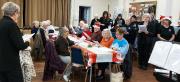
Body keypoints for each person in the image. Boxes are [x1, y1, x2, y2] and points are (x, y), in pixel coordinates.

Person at [0, 2, 29, 82]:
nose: (18, 15)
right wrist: (27, 42)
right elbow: (20, 45)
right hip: (11, 63)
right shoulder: (11, 25)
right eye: (18, 13)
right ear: (15, 12)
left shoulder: (1, 22)